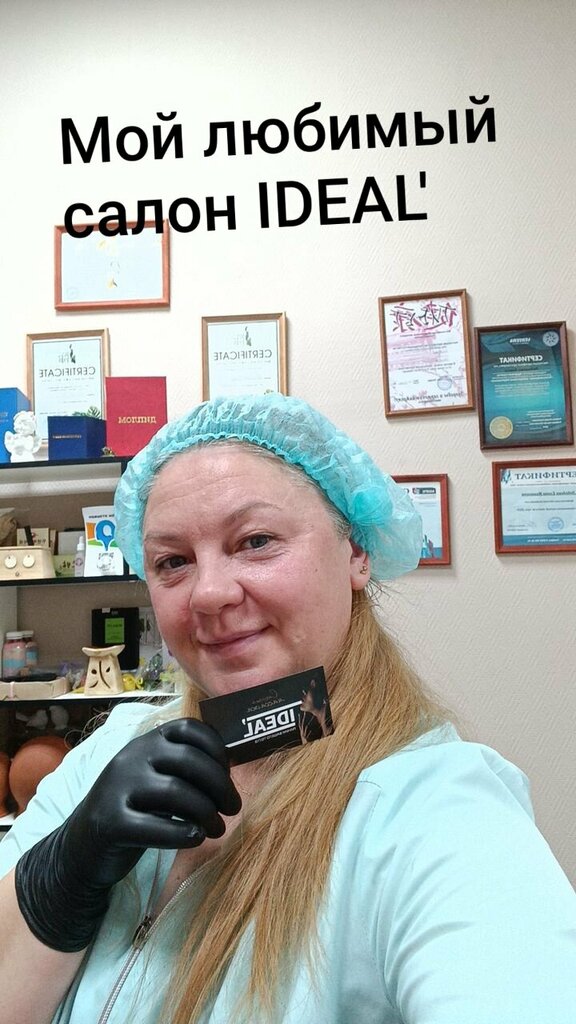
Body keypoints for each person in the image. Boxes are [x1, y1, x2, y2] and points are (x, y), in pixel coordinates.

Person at [0, 393, 574, 1024]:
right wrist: (59, 879)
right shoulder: (112, 752)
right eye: (173, 562)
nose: (209, 593)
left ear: (356, 553)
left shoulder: (431, 807)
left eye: (256, 541)